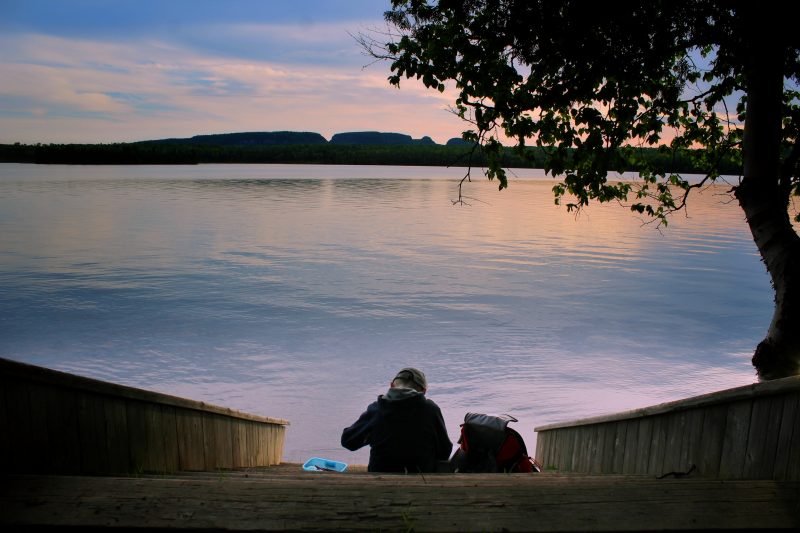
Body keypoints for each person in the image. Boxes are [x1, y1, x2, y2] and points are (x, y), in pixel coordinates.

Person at [341, 367, 452, 473]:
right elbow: (445, 450)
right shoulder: (431, 410)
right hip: (420, 483)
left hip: (380, 483)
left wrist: (372, 434)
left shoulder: (376, 410)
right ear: (423, 391)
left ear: (392, 385)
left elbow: (348, 441)